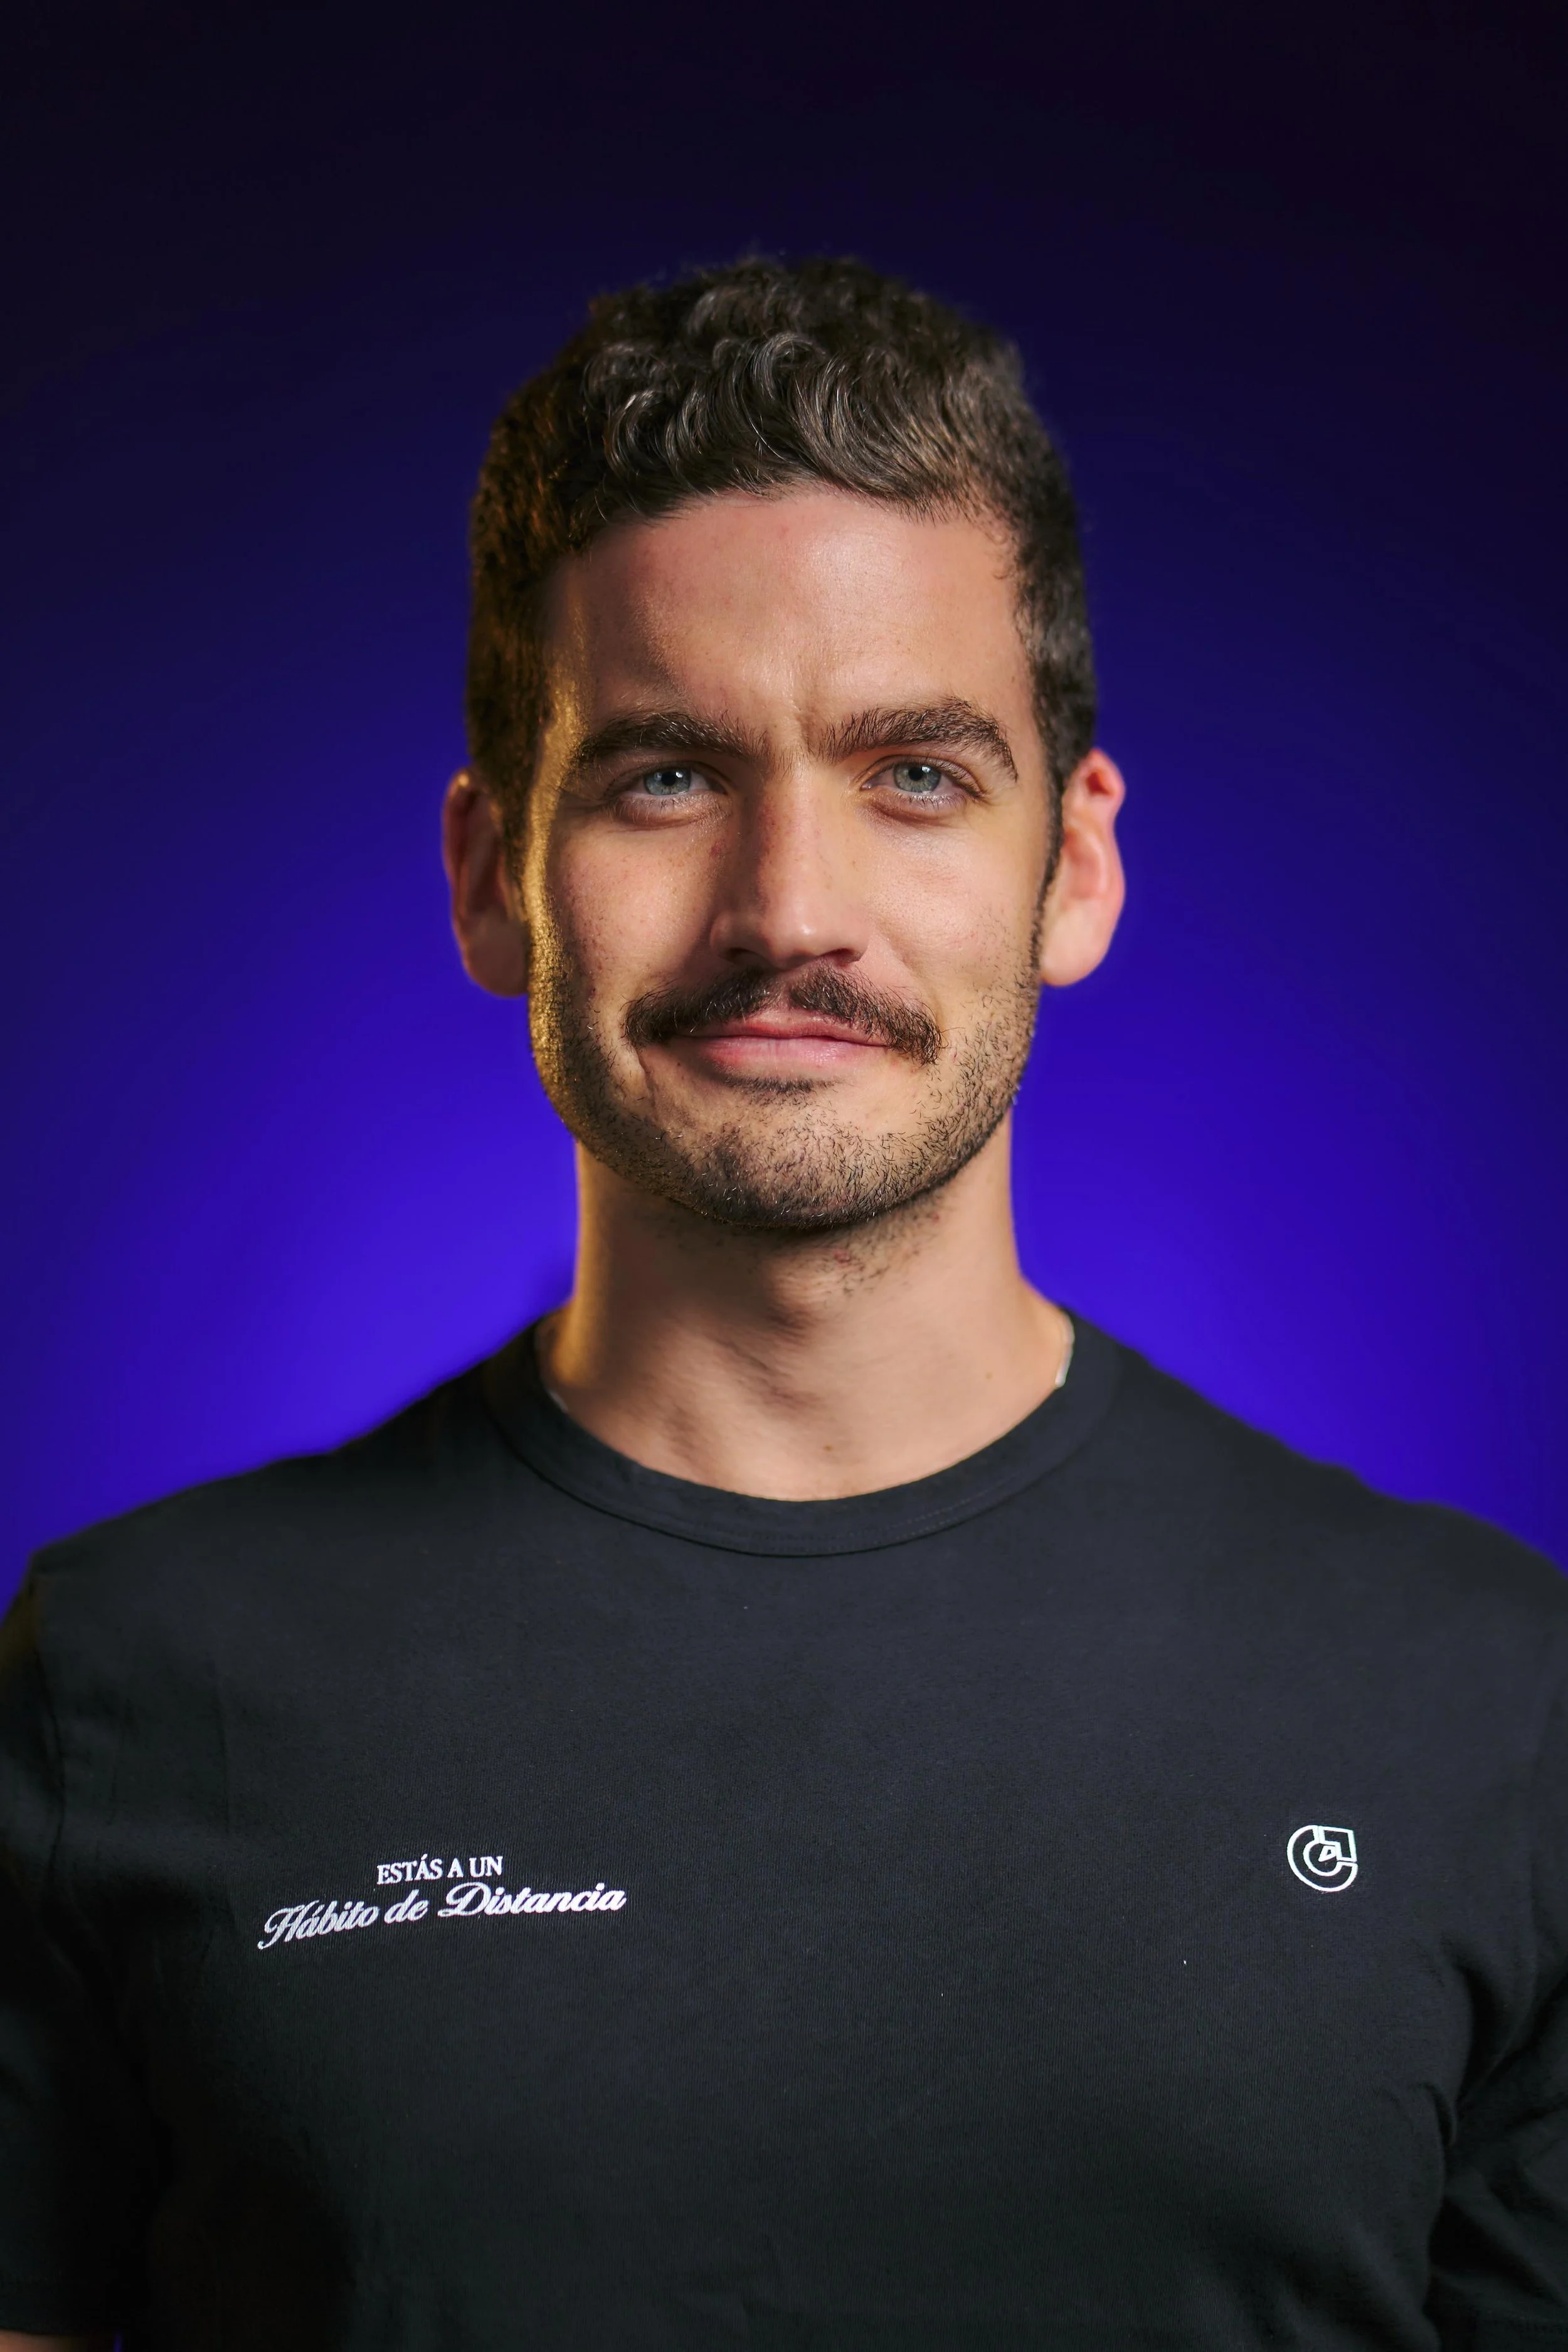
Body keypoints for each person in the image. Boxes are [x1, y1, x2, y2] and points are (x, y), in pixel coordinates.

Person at [1, 257, 1564, 2352]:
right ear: (492, 875)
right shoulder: (128, 1680)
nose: (790, 909)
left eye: (914, 772)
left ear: (1071, 868)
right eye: (663, 773)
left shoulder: (1489, 1702)